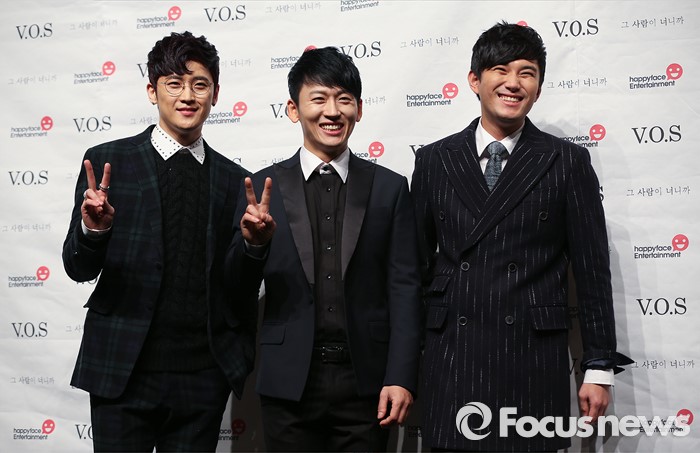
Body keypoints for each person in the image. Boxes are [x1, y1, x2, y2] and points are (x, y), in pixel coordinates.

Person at [410, 22, 632, 452]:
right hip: (452, 356)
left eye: (526, 73)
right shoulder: (435, 159)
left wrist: (599, 366)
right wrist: (403, 367)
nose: (513, 83)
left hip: (531, 359)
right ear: (474, 80)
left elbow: (592, 271)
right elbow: (413, 269)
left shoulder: (566, 161)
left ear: (539, 88)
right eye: (500, 69)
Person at [62, 31, 256, 452]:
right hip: (123, 371)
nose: (187, 96)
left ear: (215, 94)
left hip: (202, 378)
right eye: (174, 83)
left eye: (199, 84)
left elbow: (237, 284)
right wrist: (94, 231)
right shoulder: (110, 162)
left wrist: (255, 246)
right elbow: (77, 267)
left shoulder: (234, 179)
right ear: (152, 91)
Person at [227, 46, 422, 452]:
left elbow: (405, 288)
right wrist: (253, 246)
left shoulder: (389, 188)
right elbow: (234, 290)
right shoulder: (260, 188)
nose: (332, 112)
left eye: (344, 99)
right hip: (288, 381)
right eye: (318, 98)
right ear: (293, 109)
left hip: (367, 382)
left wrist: (401, 376)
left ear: (359, 110)